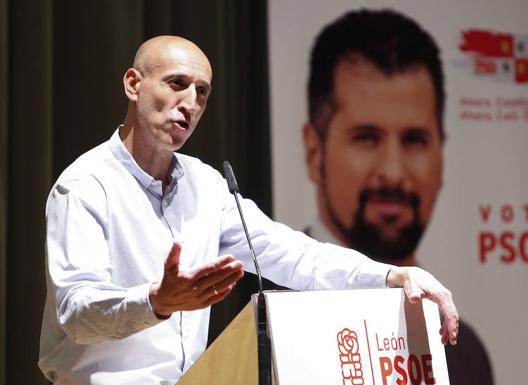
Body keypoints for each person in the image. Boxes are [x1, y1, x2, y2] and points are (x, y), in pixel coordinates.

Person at [38, 35, 458, 385]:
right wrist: (157, 301)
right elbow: (75, 311)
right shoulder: (85, 186)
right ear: (133, 84)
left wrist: (389, 274)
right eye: (176, 83)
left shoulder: (206, 186)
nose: (190, 103)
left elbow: (295, 254)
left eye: (201, 92)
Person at [301, 9, 494, 385]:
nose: (392, 171)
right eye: (366, 137)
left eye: (414, 140)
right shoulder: (270, 316)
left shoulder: (464, 350)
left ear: (441, 153)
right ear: (313, 152)